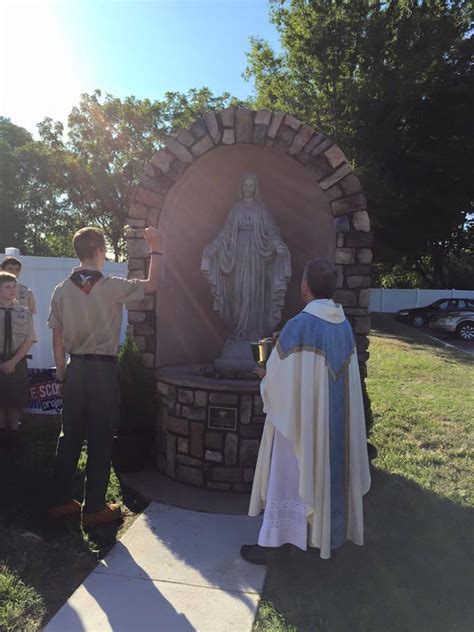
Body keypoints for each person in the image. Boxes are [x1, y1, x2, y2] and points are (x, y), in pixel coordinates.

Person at [241, 259, 371, 564]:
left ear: (305, 286)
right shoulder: (342, 324)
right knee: (322, 473)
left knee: (287, 477)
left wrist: (264, 376)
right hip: (331, 423)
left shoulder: (299, 325)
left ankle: (274, 544)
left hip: (298, 421)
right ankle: (316, 536)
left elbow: (280, 379)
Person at [47, 226, 162, 527]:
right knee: (100, 436)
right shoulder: (111, 285)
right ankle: (94, 507)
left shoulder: (61, 289)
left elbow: (57, 339)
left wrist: (61, 377)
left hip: (74, 369)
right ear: (100, 251)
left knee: (69, 435)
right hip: (102, 370)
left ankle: (60, 500)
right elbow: (152, 285)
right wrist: (156, 247)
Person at [201, 171, 291, 369]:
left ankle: (254, 331)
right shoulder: (236, 209)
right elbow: (226, 231)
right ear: (241, 187)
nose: (248, 189)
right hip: (239, 256)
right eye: (246, 185)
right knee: (240, 293)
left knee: (254, 291)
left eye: (251, 186)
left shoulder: (261, 209)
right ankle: (240, 331)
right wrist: (215, 245)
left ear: (255, 188)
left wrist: (277, 244)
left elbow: (271, 230)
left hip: (257, 257)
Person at [0, 271, 37, 440]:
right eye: (7, 287)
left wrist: (13, 362)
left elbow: (30, 339)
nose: (12, 290)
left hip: (17, 362)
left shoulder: (24, 312)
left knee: (15, 401)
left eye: (14, 286)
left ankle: (13, 436)